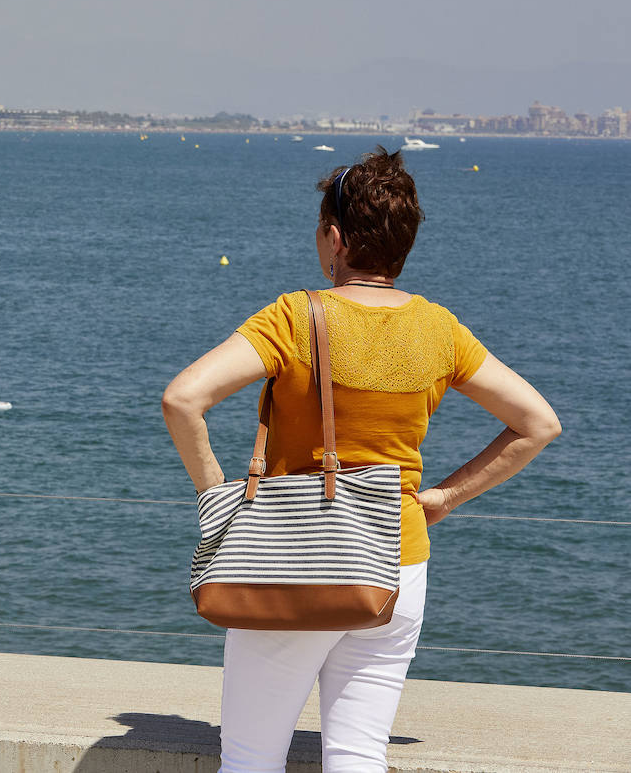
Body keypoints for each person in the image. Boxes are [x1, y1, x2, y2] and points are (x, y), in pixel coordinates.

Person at [160, 146, 559, 772]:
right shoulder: (439, 328)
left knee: (250, 756)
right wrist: (445, 497)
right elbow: (537, 424)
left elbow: (183, 399)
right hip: (397, 569)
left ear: (335, 237)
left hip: (297, 562)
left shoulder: (293, 318)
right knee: (357, 756)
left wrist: (217, 495)